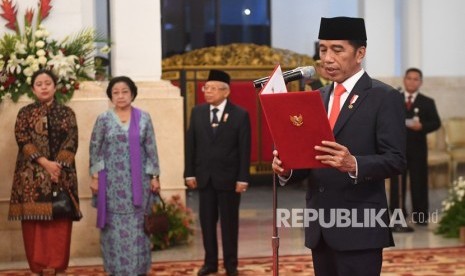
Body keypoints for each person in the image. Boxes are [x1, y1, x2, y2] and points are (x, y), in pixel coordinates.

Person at [271, 17, 406, 275]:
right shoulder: (316, 99)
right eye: (323, 50)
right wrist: (286, 168)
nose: (327, 58)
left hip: (360, 227)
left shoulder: (383, 97)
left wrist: (353, 163)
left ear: (360, 53)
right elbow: (311, 158)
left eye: (337, 49)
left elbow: (396, 159)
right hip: (319, 227)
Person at [8, 69, 82, 276]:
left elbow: (72, 141)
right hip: (31, 177)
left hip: (61, 176)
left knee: (60, 223)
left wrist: (57, 167)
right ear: (33, 89)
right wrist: (45, 163)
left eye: (47, 83)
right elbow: (22, 139)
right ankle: (36, 267)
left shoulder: (67, 113)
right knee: (34, 224)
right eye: (39, 84)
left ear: (55, 86)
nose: (43, 87)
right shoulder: (24, 113)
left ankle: (58, 267)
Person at [89, 76, 161, 276]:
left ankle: (137, 270)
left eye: (125, 91)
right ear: (111, 96)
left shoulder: (144, 118)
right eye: (116, 92)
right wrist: (95, 177)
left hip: (139, 185)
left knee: (138, 228)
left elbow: (151, 149)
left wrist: (154, 176)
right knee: (113, 230)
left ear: (132, 93)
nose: (120, 96)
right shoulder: (103, 119)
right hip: (111, 185)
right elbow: (95, 149)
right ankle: (116, 270)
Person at [184, 69, 251, 276]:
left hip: (229, 180)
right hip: (204, 178)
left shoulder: (240, 115)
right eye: (206, 88)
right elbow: (190, 145)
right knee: (206, 222)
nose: (208, 92)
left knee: (229, 224)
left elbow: (244, 149)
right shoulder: (197, 112)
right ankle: (210, 263)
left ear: (226, 92)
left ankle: (231, 265)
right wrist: (190, 173)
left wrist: (242, 178)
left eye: (213, 88)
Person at [389, 68, 441, 226]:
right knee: (397, 183)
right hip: (397, 148)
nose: (412, 82)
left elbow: (436, 123)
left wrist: (422, 126)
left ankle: (420, 216)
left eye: (415, 79)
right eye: (409, 78)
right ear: (404, 80)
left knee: (419, 182)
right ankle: (397, 215)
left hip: (418, 148)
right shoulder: (394, 98)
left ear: (420, 82)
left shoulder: (427, 102)